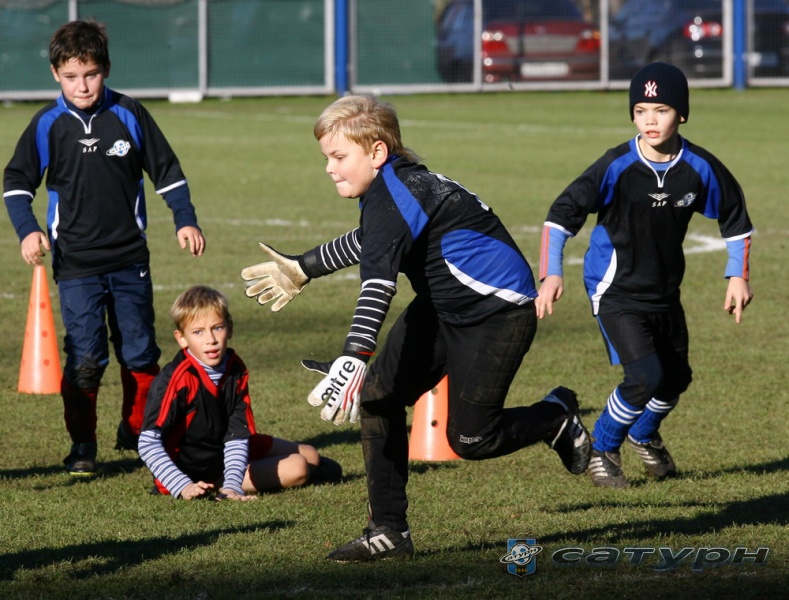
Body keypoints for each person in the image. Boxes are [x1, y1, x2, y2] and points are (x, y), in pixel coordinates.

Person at [240, 94, 591, 560]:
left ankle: (555, 416)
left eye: (339, 156)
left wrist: (355, 354)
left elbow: (378, 284)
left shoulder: (395, 193)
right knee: (376, 398)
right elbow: (374, 242)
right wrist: (304, 267)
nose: (329, 168)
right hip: (443, 308)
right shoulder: (394, 186)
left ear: (377, 152)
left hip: (498, 314)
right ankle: (388, 532)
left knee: (472, 439)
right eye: (327, 157)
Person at [535, 62, 754, 489]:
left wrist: (737, 275)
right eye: (640, 110)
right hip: (614, 289)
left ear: (682, 114)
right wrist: (551, 273)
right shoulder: (616, 165)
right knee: (645, 377)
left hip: (664, 291)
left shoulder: (700, 167)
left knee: (676, 379)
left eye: (661, 109)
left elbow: (736, 220)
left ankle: (643, 433)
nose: (650, 120)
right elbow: (559, 216)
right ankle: (602, 449)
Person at [3, 20, 206, 477]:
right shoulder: (48, 124)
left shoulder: (129, 114)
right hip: (76, 263)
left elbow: (167, 171)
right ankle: (82, 445)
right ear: (55, 74)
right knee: (86, 358)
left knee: (140, 354)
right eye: (71, 76)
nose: (82, 86)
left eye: (91, 74)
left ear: (106, 69)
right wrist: (28, 230)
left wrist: (185, 218)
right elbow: (16, 183)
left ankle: (137, 432)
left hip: (130, 259)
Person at [138, 285, 342, 500]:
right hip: (192, 471)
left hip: (221, 448)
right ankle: (217, 484)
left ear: (230, 328)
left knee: (310, 454)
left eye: (217, 328)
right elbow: (148, 442)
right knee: (298, 467)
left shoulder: (234, 367)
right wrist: (182, 485)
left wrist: (233, 485)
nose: (210, 339)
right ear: (181, 338)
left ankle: (232, 479)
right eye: (198, 332)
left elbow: (237, 435)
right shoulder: (176, 378)